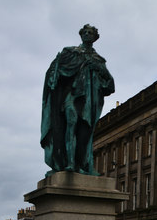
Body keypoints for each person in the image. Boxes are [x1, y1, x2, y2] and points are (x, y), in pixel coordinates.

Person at [41, 24, 115, 176]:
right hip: (71, 96)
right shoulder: (70, 53)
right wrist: (53, 75)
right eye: (85, 32)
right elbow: (55, 73)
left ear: (95, 38)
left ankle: (83, 164)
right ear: (81, 35)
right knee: (70, 123)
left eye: (91, 33)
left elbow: (110, 84)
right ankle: (69, 163)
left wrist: (98, 68)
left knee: (84, 133)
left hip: (89, 101)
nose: (87, 35)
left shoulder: (98, 60)